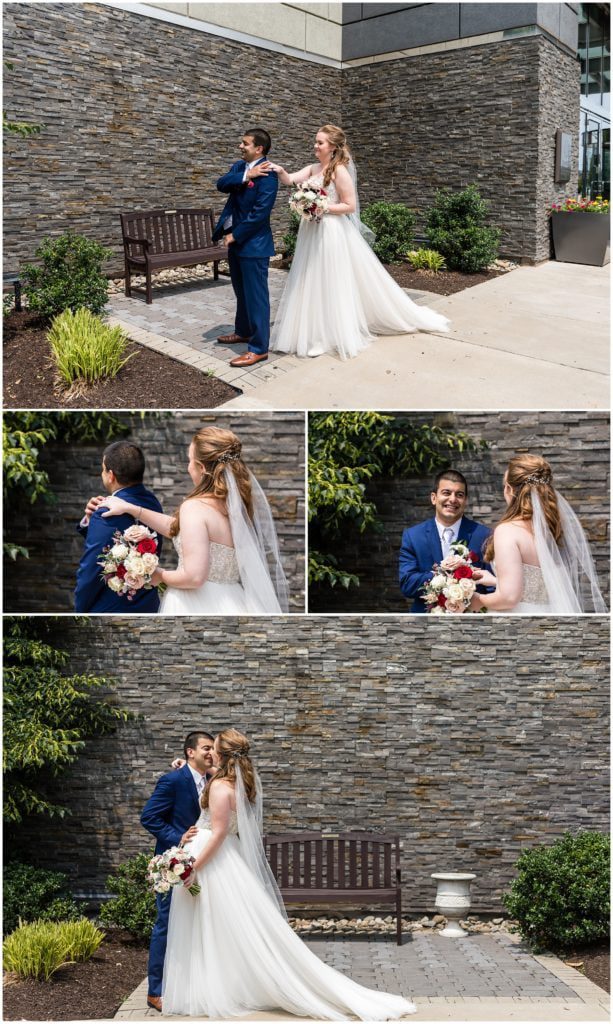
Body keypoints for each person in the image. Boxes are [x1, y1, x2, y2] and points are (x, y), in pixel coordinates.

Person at [162, 729, 416, 1020]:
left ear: (222, 754)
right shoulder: (235, 781)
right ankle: (221, 987)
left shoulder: (220, 787)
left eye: (214, 748)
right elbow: (213, 782)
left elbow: (218, 833)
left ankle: (218, 991)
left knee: (211, 926)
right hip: (224, 859)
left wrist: (194, 866)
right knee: (219, 929)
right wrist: (183, 765)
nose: (210, 752)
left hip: (212, 859)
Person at [265, 124, 450, 359]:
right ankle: (314, 332)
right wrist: (280, 170)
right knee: (309, 278)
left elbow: (349, 205)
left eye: (320, 142)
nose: (315, 145)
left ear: (332, 147)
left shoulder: (339, 171)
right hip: (311, 232)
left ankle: (327, 336)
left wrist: (321, 207)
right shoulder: (313, 168)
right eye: (316, 141)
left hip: (331, 232)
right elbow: (290, 180)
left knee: (329, 281)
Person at [100, 426, 288, 614]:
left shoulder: (194, 507)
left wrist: (159, 575)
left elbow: (194, 577)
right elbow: (177, 528)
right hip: (233, 598)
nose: (188, 467)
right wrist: (131, 508)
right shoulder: (234, 507)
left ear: (202, 467)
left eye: (190, 460)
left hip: (197, 603)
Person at [469, 454, 607, 614]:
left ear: (510, 489)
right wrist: (496, 580)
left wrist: (478, 601)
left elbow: (508, 598)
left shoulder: (507, 530)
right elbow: (542, 586)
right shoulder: (551, 530)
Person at [141, 732, 216, 1014]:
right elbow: (149, 817)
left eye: (213, 749)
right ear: (189, 752)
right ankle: (155, 991)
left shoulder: (211, 781)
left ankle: (188, 985)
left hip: (202, 865)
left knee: (194, 922)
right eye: (206, 748)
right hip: (175, 866)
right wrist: (178, 838)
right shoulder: (172, 780)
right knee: (166, 922)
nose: (210, 753)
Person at [212, 128, 279, 368]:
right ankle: (243, 331)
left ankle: (259, 348)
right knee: (241, 292)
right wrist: (247, 175)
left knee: (257, 298)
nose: (240, 146)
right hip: (237, 244)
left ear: (259, 148)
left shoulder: (270, 175)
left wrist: (235, 236)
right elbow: (221, 184)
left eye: (245, 143)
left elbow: (260, 213)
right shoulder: (239, 168)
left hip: (254, 245)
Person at [74, 441, 163, 613]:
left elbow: (92, 569)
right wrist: (89, 520)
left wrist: (79, 609)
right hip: (148, 604)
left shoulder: (107, 512)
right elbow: (110, 546)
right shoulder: (152, 502)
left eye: (103, 469)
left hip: (111, 606)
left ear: (111, 475)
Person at [399, 469, 492, 612]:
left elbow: (493, 586)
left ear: (465, 500)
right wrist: (445, 574)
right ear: (434, 498)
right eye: (446, 493)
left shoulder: (483, 535)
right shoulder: (413, 536)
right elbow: (407, 584)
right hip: (424, 624)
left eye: (459, 495)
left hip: (473, 622)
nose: (453, 499)